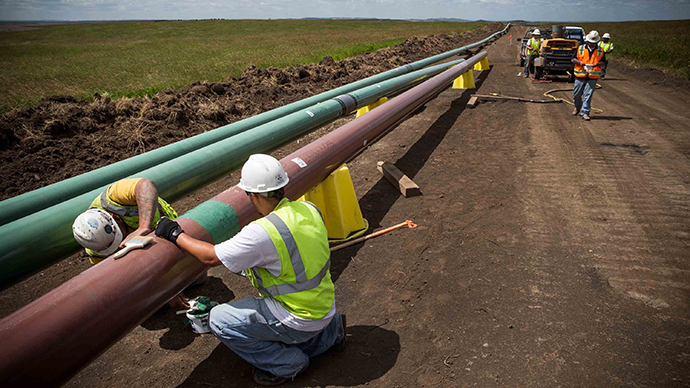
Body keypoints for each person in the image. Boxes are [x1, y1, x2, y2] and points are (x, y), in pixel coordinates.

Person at [155, 154, 345, 386]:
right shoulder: (308, 208)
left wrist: (174, 233)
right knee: (278, 315)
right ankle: (329, 333)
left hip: (298, 316)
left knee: (219, 319)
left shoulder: (262, 232)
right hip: (324, 306)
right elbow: (296, 256)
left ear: (252, 195)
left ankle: (286, 363)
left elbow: (211, 256)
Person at [72, 177, 193, 309]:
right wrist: (164, 288)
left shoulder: (113, 197)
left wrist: (143, 227)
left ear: (115, 217)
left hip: (167, 229)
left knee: (195, 276)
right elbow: (121, 280)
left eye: (119, 236)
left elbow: (146, 185)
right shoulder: (97, 248)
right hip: (146, 258)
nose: (119, 244)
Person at [571, 30, 605, 121]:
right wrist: (580, 62)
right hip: (580, 75)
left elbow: (603, 62)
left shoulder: (600, 50)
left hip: (592, 76)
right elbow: (573, 59)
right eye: (590, 42)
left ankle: (585, 112)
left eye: (594, 43)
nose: (592, 44)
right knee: (576, 94)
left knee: (588, 94)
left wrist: (597, 64)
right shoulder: (580, 48)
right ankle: (578, 107)